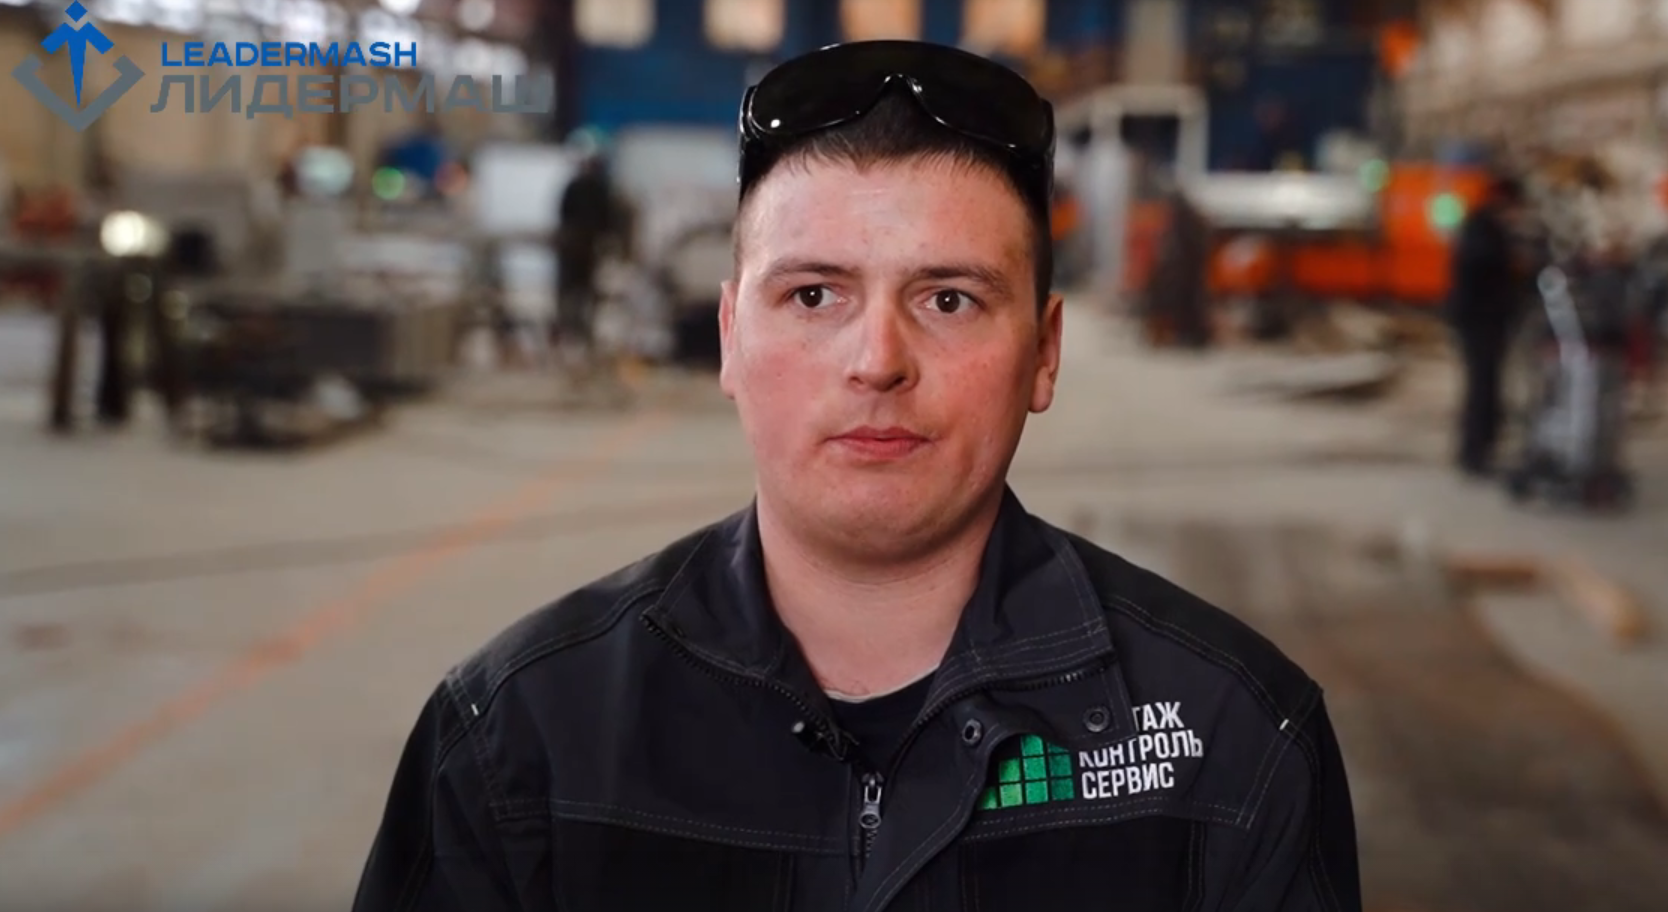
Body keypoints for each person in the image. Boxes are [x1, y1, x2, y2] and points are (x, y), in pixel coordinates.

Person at [352, 40, 1361, 912]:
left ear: (1044, 354)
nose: (877, 361)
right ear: (730, 337)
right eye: (815, 294)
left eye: (950, 300)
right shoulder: (519, 740)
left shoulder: (1235, 741)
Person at [1446, 174, 1529, 477]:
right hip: (1478, 321)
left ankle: (1484, 447)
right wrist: (1513, 261)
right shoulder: (1481, 228)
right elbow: (1482, 263)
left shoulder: (1490, 228)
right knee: (1482, 387)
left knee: (1489, 386)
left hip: (1490, 320)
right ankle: (1474, 454)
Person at [550, 145, 619, 373]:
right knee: (574, 299)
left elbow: (605, 220)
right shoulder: (590, 188)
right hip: (578, 250)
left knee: (580, 298)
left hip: (582, 251)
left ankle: (577, 340)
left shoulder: (591, 188)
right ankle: (571, 340)